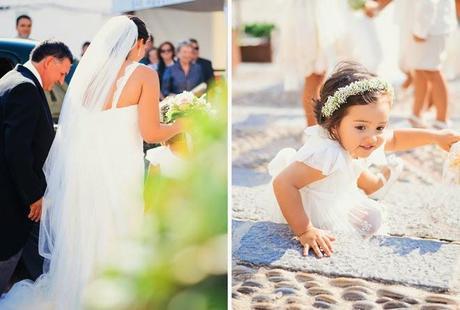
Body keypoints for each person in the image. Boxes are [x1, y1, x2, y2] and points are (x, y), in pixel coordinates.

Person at [0, 15, 184, 309]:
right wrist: (184, 124)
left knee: (87, 239)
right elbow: (151, 132)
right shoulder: (145, 75)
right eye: (144, 45)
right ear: (137, 43)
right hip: (121, 172)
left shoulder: (88, 76)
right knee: (119, 233)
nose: (143, 51)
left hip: (86, 176)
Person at [268, 62, 460, 258]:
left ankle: (374, 184)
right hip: (310, 208)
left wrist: (435, 137)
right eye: (361, 127)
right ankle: (373, 185)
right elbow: (283, 183)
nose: (373, 137)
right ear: (333, 125)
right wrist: (305, 230)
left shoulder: (357, 137)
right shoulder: (326, 154)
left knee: (373, 217)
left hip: (337, 189)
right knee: (361, 221)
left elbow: (395, 138)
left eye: (380, 127)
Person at [0, 41, 73, 293]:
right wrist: (34, 196)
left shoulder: (12, 78)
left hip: (15, 196)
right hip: (15, 200)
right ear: (49, 62)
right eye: (62, 73)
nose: (62, 81)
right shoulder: (25, 88)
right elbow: (16, 150)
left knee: (42, 265)